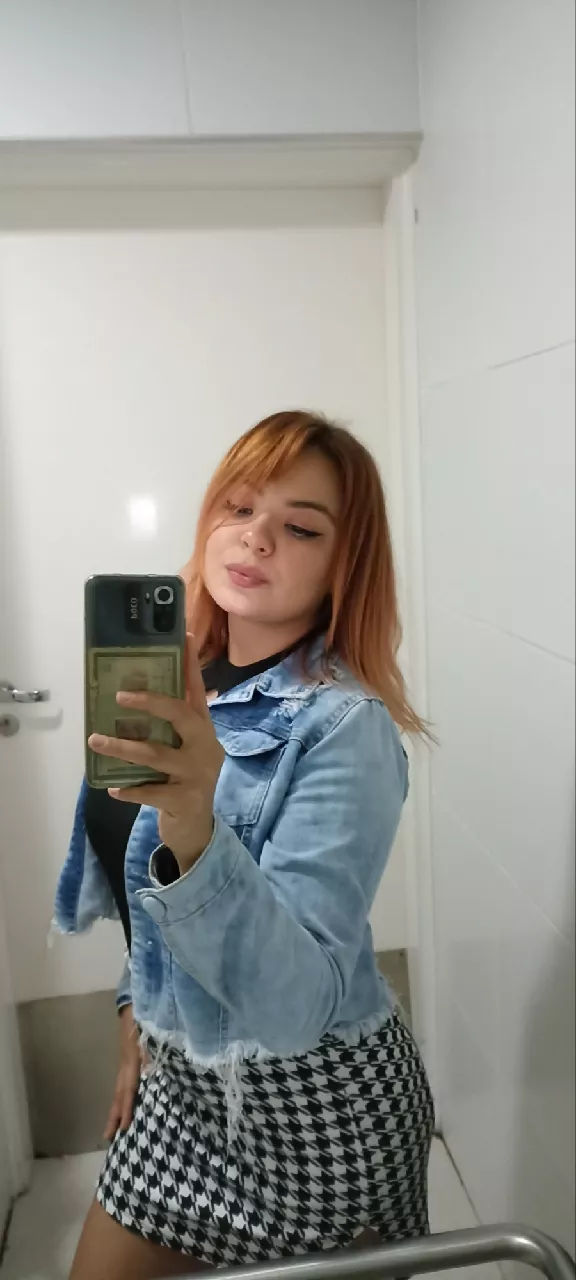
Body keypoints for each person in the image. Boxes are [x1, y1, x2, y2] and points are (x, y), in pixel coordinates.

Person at [55, 410, 434, 1280]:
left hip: (313, 1114)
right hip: (182, 1089)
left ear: (344, 566)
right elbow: (142, 894)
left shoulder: (344, 726)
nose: (257, 536)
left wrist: (196, 820)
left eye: (301, 527)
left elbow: (296, 1008)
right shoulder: (179, 682)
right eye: (239, 507)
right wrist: (136, 1017)